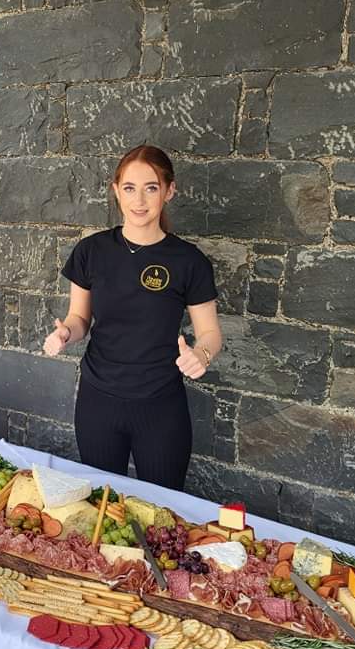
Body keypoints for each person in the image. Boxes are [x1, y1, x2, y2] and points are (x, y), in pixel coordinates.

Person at [43, 144, 222, 490]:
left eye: (151, 188)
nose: (139, 200)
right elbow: (79, 318)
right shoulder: (91, 251)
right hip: (98, 400)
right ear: (116, 191)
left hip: (160, 405)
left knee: (163, 507)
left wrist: (201, 354)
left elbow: (211, 332)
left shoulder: (189, 261)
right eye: (129, 188)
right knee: (101, 500)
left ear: (169, 191)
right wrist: (66, 333)